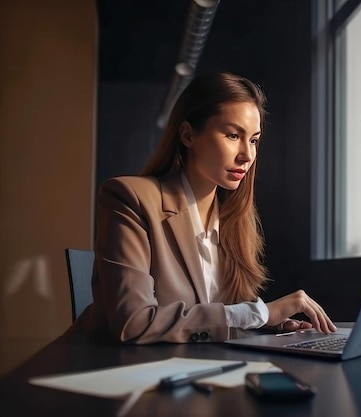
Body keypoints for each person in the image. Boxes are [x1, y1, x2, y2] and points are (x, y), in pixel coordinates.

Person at [72, 70, 336, 343]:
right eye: (233, 135)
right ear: (188, 135)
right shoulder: (130, 198)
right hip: (121, 374)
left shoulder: (233, 219)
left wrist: (266, 323)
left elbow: (212, 317)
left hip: (198, 369)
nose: (247, 155)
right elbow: (134, 322)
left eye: (254, 140)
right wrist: (258, 313)